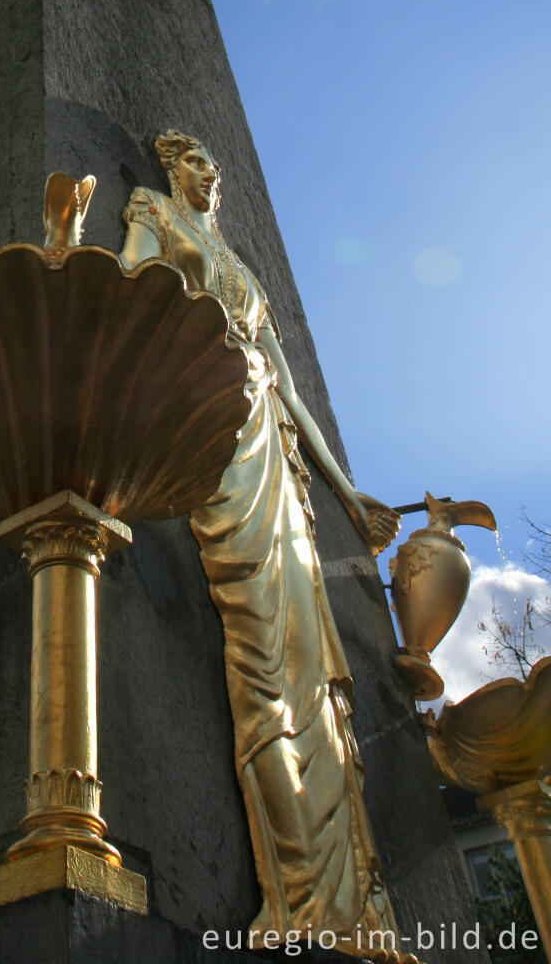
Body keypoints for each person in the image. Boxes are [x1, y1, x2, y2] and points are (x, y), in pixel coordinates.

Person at [121, 130, 401, 949]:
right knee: (262, 649)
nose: (212, 172)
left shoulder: (239, 266)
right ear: (175, 172)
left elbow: (283, 374)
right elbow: (133, 288)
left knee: (307, 657)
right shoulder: (155, 215)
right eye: (198, 163)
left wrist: (348, 491)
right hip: (212, 419)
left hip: (272, 442)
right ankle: (297, 893)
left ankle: (341, 900)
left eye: (214, 164)